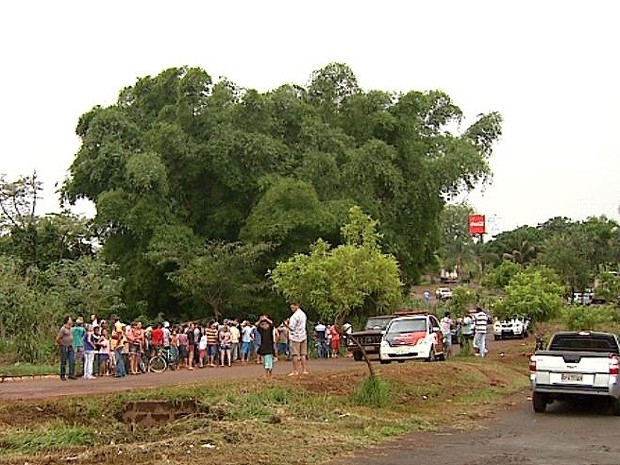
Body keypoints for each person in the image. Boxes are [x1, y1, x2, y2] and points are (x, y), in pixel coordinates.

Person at [287, 302, 308, 376]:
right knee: (303, 354)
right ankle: (304, 369)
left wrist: (287, 324)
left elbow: (292, 328)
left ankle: (295, 370)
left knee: (295, 354)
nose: (292, 309)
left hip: (295, 336)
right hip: (303, 335)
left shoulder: (294, 316)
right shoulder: (303, 314)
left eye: (293, 307)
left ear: (297, 306)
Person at [56, 316, 76, 380]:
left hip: (70, 346)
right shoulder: (63, 329)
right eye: (70, 319)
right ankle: (62, 375)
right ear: (67, 321)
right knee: (64, 361)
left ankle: (71, 374)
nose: (71, 321)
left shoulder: (70, 328)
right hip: (64, 346)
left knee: (72, 360)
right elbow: (58, 338)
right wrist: (61, 344)